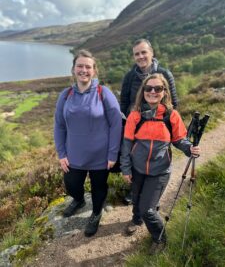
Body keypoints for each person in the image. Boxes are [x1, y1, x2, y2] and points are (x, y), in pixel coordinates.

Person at [120, 73, 200, 254]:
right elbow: (126, 144)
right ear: (143, 91)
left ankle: (160, 238)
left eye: (158, 88)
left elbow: (180, 139)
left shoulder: (171, 116)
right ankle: (136, 220)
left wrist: (189, 149)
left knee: (148, 209)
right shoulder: (135, 115)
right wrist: (126, 168)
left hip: (160, 171)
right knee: (136, 197)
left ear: (164, 91)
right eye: (149, 88)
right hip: (137, 167)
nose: (153, 92)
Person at [54, 49, 122, 237]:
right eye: (80, 66)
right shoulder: (65, 95)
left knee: (98, 188)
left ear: (94, 71)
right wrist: (61, 153)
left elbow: (116, 125)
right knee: (72, 184)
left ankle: (96, 213)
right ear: (73, 69)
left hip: (101, 155)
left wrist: (112, 154)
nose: (83, 70)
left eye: (88, 67)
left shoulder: (104, 93)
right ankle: (79, 200)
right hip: (73, 154)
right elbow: (59, 126)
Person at [120, 38, 178, 205]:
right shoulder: (130, 77)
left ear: (151, 53)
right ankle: (135, 191)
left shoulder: (165, 74)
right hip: (137, 127)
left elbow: (174, 102)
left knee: (157, 161)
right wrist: (131, 122)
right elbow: (123, 103)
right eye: (136, 54)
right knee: (137, 160)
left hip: (160, 126)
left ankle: (153, 195)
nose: (140, 56)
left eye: (143, 52)